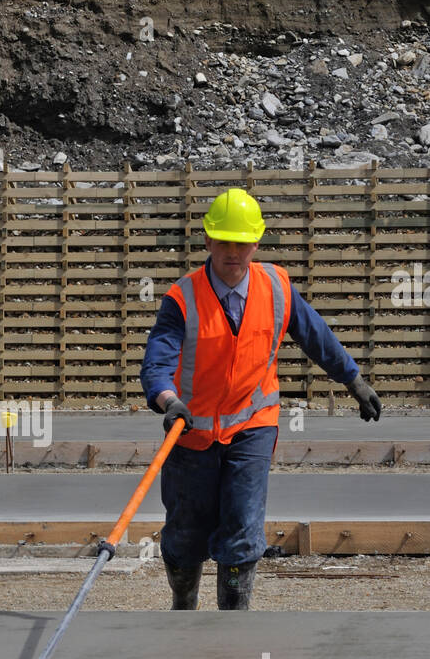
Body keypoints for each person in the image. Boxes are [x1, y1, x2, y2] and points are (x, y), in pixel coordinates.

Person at [140, 187, 382, 610]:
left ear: (256, 242)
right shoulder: (183, 298)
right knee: (184, 534)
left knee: (242, 526)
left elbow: (316, 337)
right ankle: (183, 608)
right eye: (225, 241)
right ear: (209, 241)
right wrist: (167, 400)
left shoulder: (276, 287)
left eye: (242, 242)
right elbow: (157, 361)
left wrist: (353, 381)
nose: (233, 252)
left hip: (252, 425)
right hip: (191, 429)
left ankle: (234, 624)